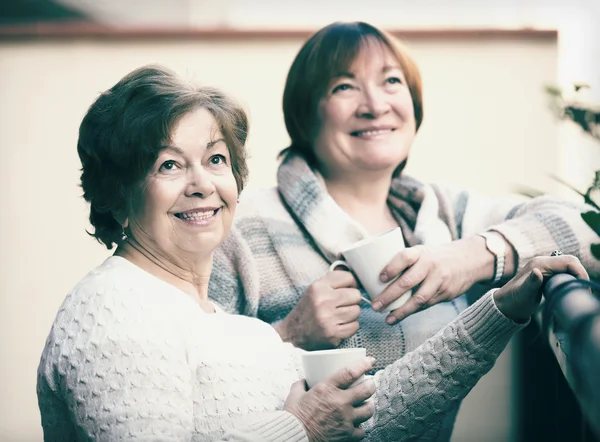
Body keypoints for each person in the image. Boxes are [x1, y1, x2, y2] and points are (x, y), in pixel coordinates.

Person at [36, 64, 588, 441]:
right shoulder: (113, 307)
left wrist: (503, 311)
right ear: (116, 195)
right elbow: (314, 425)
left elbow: (372, 410)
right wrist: (300, 428)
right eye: (169, 165)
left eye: (216, 159)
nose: (203, 183)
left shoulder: (232, 329)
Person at [209, 21, 600, 440]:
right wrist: (287, 334)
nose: (375, 105)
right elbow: (202, 382)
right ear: (305, 114)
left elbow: (588, 227)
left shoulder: (440, 215)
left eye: (392, 81)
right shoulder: (242, 226)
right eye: (345, 86)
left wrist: (472, 256)